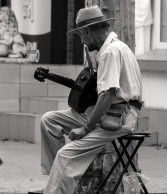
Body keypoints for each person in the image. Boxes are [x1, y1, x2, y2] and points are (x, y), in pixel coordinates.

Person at [28, 5, 142, 194]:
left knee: (66, 155)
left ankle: (55, 190)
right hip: (108, 112)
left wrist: (86, 127)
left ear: (87, 31)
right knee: (49, 120)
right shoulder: (114, 48)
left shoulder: (110, 52)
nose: (81, 41)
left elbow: (108, 94)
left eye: (80, 35)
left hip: (118, 118)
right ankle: (54, 183)